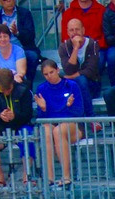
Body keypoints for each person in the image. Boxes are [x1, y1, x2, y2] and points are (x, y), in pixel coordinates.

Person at [34, 59, 83, 188]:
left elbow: (79, 111)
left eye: (51, 72)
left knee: (58, 131)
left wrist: (69, 106)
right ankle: (49, 177)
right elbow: (42, 117)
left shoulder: (71, 85)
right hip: (52, 123)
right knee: (46, 131)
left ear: (57, 70)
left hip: (72, 124)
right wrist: (43, 108)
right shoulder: (41, 89)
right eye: (46, 74)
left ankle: (66, 176)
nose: (49, 76)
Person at [0, 68, 34, 187]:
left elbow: (28, 114)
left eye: (8, 89)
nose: (6, 92)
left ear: (13, 82)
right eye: (3, 90)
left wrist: (15, 116)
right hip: (1, 126)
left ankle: (27, 175)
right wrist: (0, 115)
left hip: (21, 124)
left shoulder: (24, 89)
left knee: (29, 136)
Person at [59, 17, 101, 118]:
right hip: (72, 86)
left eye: (77, 29)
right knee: (76, 84)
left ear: (83, 30)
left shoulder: (93, 44)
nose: (75, 32)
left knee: (81, 80)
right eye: (71, 30)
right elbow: (68, 70)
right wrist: (76, 48)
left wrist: (71, 76)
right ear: (67, 32)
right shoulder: (63, 47)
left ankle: (90, 117)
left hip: (92, 84)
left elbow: (91, 71)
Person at [0, 0, 40, 83]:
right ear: (0, 2)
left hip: (23, 48)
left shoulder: (25, 13)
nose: (9, 1)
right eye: (5, 0)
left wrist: (17, 33)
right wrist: (1, 33)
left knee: (32, 56)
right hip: (3, 49)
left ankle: (28, 85)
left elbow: (31, 36)